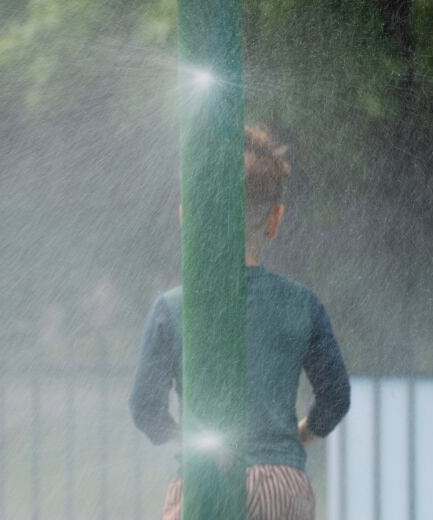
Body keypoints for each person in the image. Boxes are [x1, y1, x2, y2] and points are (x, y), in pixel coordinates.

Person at [129, 124, 351, 520]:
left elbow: (145, 407)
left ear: (185, 215)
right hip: (282, 488)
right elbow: (335, 397)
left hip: (205, 484)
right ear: (275, 218)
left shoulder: (171, 309)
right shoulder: (301, 303)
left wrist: (191, 441)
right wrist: (295, 438)